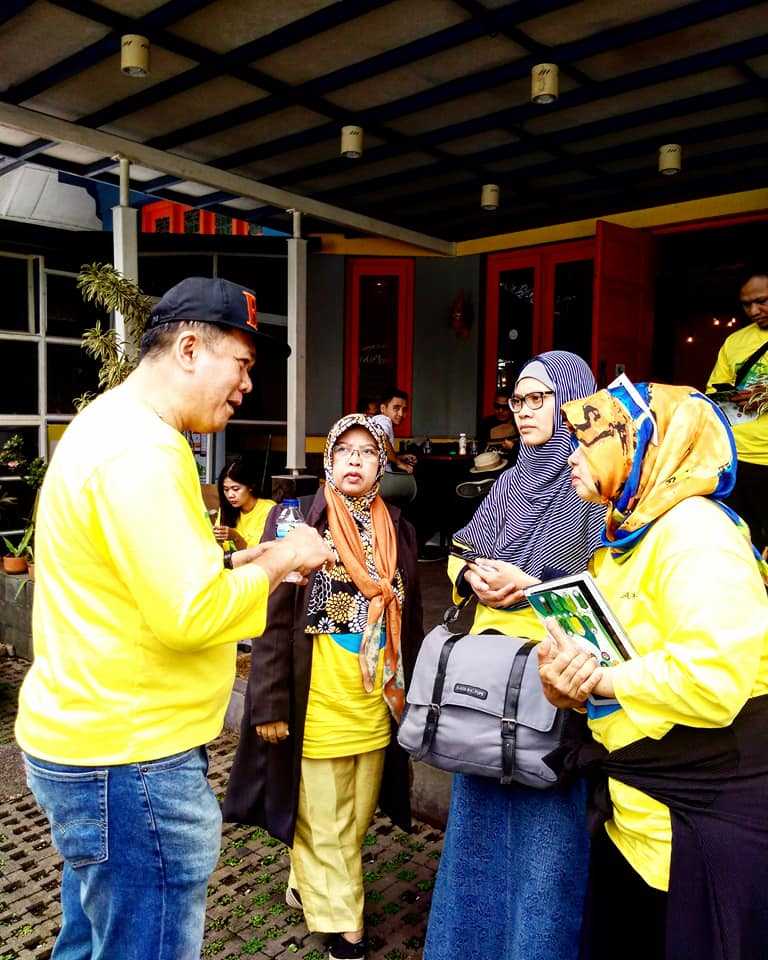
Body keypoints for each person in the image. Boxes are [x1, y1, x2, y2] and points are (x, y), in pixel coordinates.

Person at [15, 277, 334, 960]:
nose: (247, 385)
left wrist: (254, 555)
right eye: (242, 365)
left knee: (90, 939)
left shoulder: (111, 424)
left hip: (94, 744)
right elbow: (189, 614)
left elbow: (145, 582)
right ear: (190, 348)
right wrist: (283, 563)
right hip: (130, 762)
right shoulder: (143, 452)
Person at [537, 377, 768, 959]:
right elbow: (616, 658)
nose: (571, 458)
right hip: (637, 816)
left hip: (696, 824)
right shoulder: (624, 536)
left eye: (587, 443)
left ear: (642, 444)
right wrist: (565, 684)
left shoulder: (697, 534)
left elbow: (713, 678)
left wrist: (601, 681)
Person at [424, 351, 604, 960]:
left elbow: (591, 575)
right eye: (518, 401)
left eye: (538, 399)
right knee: (478, 817)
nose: (524, 411)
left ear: (573, 401)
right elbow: (461, 548)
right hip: (486, 682)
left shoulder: (591, 476)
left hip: (549, 683)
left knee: (545, 832)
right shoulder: (509, 477)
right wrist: (473, 574)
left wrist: (528, 585)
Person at [224, 413, 423, 960]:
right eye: (344, 451)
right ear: (328, 460)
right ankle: (345, 926)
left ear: (382, 463)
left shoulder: (398, 527)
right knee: (322, 814)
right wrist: (266, 701)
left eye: (367, 451)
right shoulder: (296, 523)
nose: (355, 459)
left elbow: (414, 615)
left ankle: (307, 881)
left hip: (375, 697)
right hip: (316, 694)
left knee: (354, 818)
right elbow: (271, 617)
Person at [706, 266, 768, 552]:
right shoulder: (735, 342)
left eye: (762, 301)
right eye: (747, 304)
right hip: (737, 457)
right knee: (741, 540)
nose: (754, 310)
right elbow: (714, 390)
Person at [213, 455, 276, 553]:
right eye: (226, 490)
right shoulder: (226, 508)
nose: (230, 495)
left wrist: (234, 536)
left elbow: (258, 554)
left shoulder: (269, 509)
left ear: (250, 486)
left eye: (235, 489)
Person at [370, 388, 417, 474]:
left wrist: (399, 457)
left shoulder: (377, 420)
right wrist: (399, 463)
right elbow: (380, 436)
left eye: (404, 409)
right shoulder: (383, 420)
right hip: (383, 479)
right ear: (383, 408)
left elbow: (380, 452)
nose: (401, 414)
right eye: (396, 408)